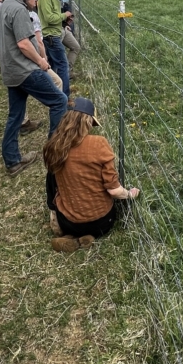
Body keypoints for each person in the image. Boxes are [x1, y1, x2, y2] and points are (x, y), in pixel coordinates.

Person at [43, 98, 138, 253]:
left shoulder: (55, 146)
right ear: (87, 121)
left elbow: (52, 184)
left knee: (52, 176)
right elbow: (114, 191)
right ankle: (88, 237)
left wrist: (54, 210)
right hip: (102, 222)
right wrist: (129, 194)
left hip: (69, 222)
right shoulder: (99, 143)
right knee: (97, 221)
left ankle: (70, 233)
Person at [0, 0, 67, 176]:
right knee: (59, 101)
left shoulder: (3, 8)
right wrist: (41, 62)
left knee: (15, 115)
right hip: (24, 69)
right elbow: (24, 43)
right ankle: (55, 151)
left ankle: (13, 161)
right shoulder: (18, 10)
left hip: (10, 70)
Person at [38, 0, 72, 98]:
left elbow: (53, 14)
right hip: (51, 35)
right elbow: (49, 18)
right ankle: (65, 96)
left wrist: (63, 21)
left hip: (53, 34)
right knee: (63, 65)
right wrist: (64, 15)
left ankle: (52, 91)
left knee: (52, 65)